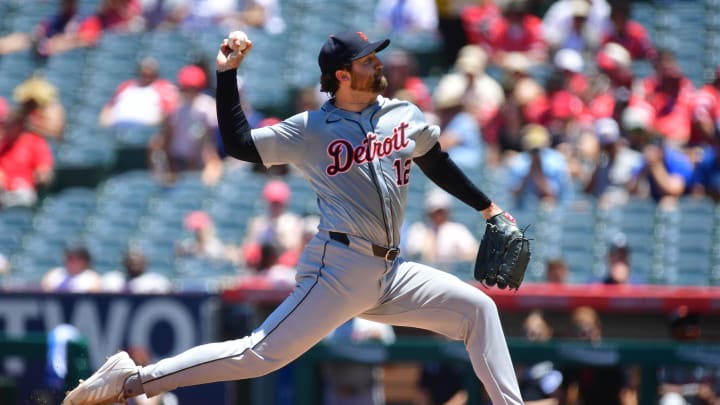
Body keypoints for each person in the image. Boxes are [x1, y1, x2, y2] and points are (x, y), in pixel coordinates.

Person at [63, 28, 524, 404]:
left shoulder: (402, 114)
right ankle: (134, 381)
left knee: (477, 310)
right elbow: (240, 145)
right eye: (368, 61)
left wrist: (488, 208)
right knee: (258, 354)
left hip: (391, 269)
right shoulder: (311, 128)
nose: (378, 64)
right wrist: (226, 75)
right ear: (342, 75)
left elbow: (434, 159)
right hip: (339, 266)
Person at [148, 64, 222, 185]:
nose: (189, 90)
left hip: (200, 161)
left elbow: (211, 141)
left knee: (211, 171)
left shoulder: (207, 105)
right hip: (177, 161)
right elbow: (167, 136)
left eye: (192, 87)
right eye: (186, 87)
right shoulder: (175, 105)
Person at [99, 57, 179, 129]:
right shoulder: (126, 86)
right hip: (118, 127)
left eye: (149, 74)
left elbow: (169, 113)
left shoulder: (164, 87)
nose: (146, 77)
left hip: (146, 131)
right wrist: (105, 123)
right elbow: (108, 107)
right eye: (143, 74)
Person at [404, 188, 479, 264]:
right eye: (435, 211)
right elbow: (412, 253)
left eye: (441, 211)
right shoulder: (418, 229)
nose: (438, 214)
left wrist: (455, 256)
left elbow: (473, 253)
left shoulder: (457, 230)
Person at [0, 108, 54, 209]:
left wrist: (42, 176)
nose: (7, 128)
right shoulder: (3, 144)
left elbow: (44, 171)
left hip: (23, 192)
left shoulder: (34, 142)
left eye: (11, 124)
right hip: (3, 193)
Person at [101, 247, 173, 294]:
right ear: (124, 262)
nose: (134, 265)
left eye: (137, 261)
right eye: (131, 261)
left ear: (145, 262)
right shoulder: (112, 278)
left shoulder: (156, 282)